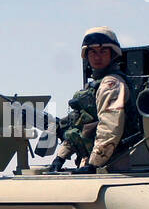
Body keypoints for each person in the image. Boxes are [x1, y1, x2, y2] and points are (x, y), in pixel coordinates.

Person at [49, 27, 129, 174]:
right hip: (95, 163)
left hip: (113, 165)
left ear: (112, 54)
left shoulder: (111, 85)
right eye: (92, 52)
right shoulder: (94, 86)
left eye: (103, 52)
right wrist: (60, 157)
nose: (97, 57)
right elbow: (78, 128)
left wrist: (94, 165)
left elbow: (110, 128)